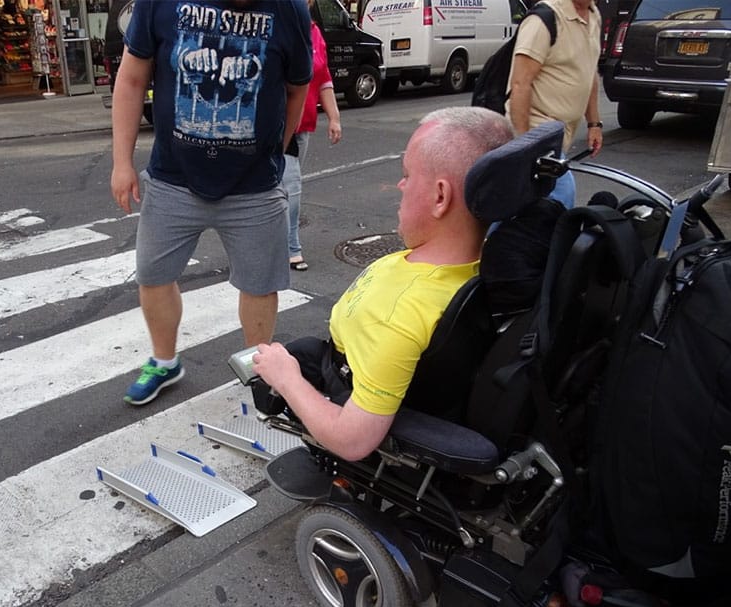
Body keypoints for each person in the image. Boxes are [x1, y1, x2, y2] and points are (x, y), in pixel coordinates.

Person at [251, 107, 514, 461]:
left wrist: (287, 379)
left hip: (347, 389)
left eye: (407, 175)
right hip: (353, 358)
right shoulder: (484, 263)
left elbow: (352, 439)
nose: (401, 185)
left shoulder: (396, 315)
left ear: (440, 197)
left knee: (281, 366)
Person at [111, 0, 313, 406]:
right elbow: (132, 79)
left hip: (254, 185)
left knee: (260, 285)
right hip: (173, 177)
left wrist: (276, 149)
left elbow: (297, 89)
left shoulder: (289, 8)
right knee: (153, 274)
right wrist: (121, 162)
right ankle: (164, 362)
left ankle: (259, 372)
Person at [507, 0, 602, 207]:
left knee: (522, 207)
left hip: (561, 135)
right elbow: (520, 83)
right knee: (562, 196)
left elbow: (589, 73)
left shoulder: (594, 15)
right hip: (538, 132)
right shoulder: (544, 19)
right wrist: (524, 147)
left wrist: (594, 124)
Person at [283, 0, 342, 272]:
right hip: (279, 125)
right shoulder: (278, 24)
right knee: (291, 186)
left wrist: (334, 117)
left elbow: (324, 77)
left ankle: (266, 239)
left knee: (279, 190)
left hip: (304, 126)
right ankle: (291, 248)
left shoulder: (315, 32)